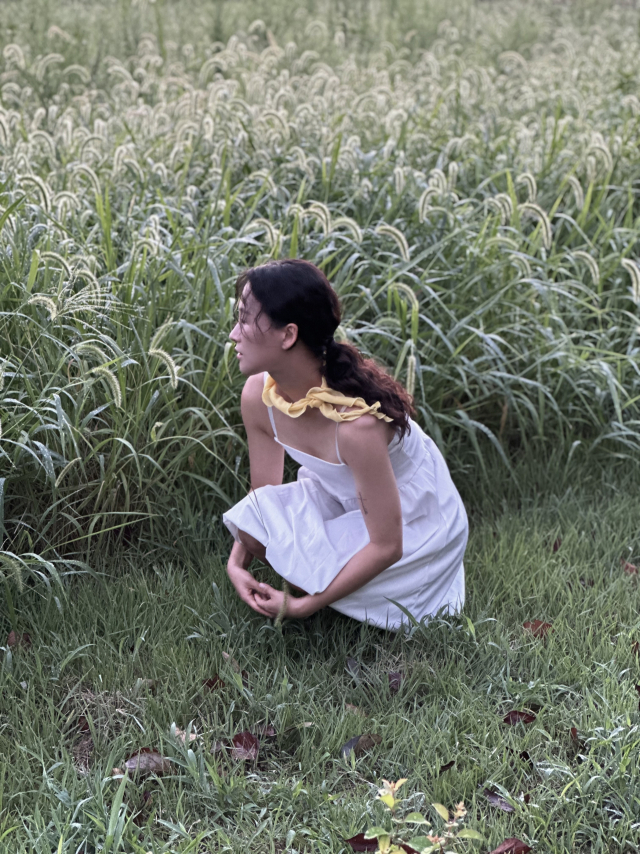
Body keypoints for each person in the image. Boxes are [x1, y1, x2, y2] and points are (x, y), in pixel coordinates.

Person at [222, 259, 468, 630]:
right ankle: (335, 580)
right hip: (340, 497)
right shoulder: (259, 395)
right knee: (260, 528)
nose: (233, 334)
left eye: (244, 319)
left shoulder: (357, 427)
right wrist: (236, 563)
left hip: (413, 519)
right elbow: (263, 497)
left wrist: (304, 606)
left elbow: (388, 545)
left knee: (346, 568)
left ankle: (360, 590)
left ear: (288, 335)